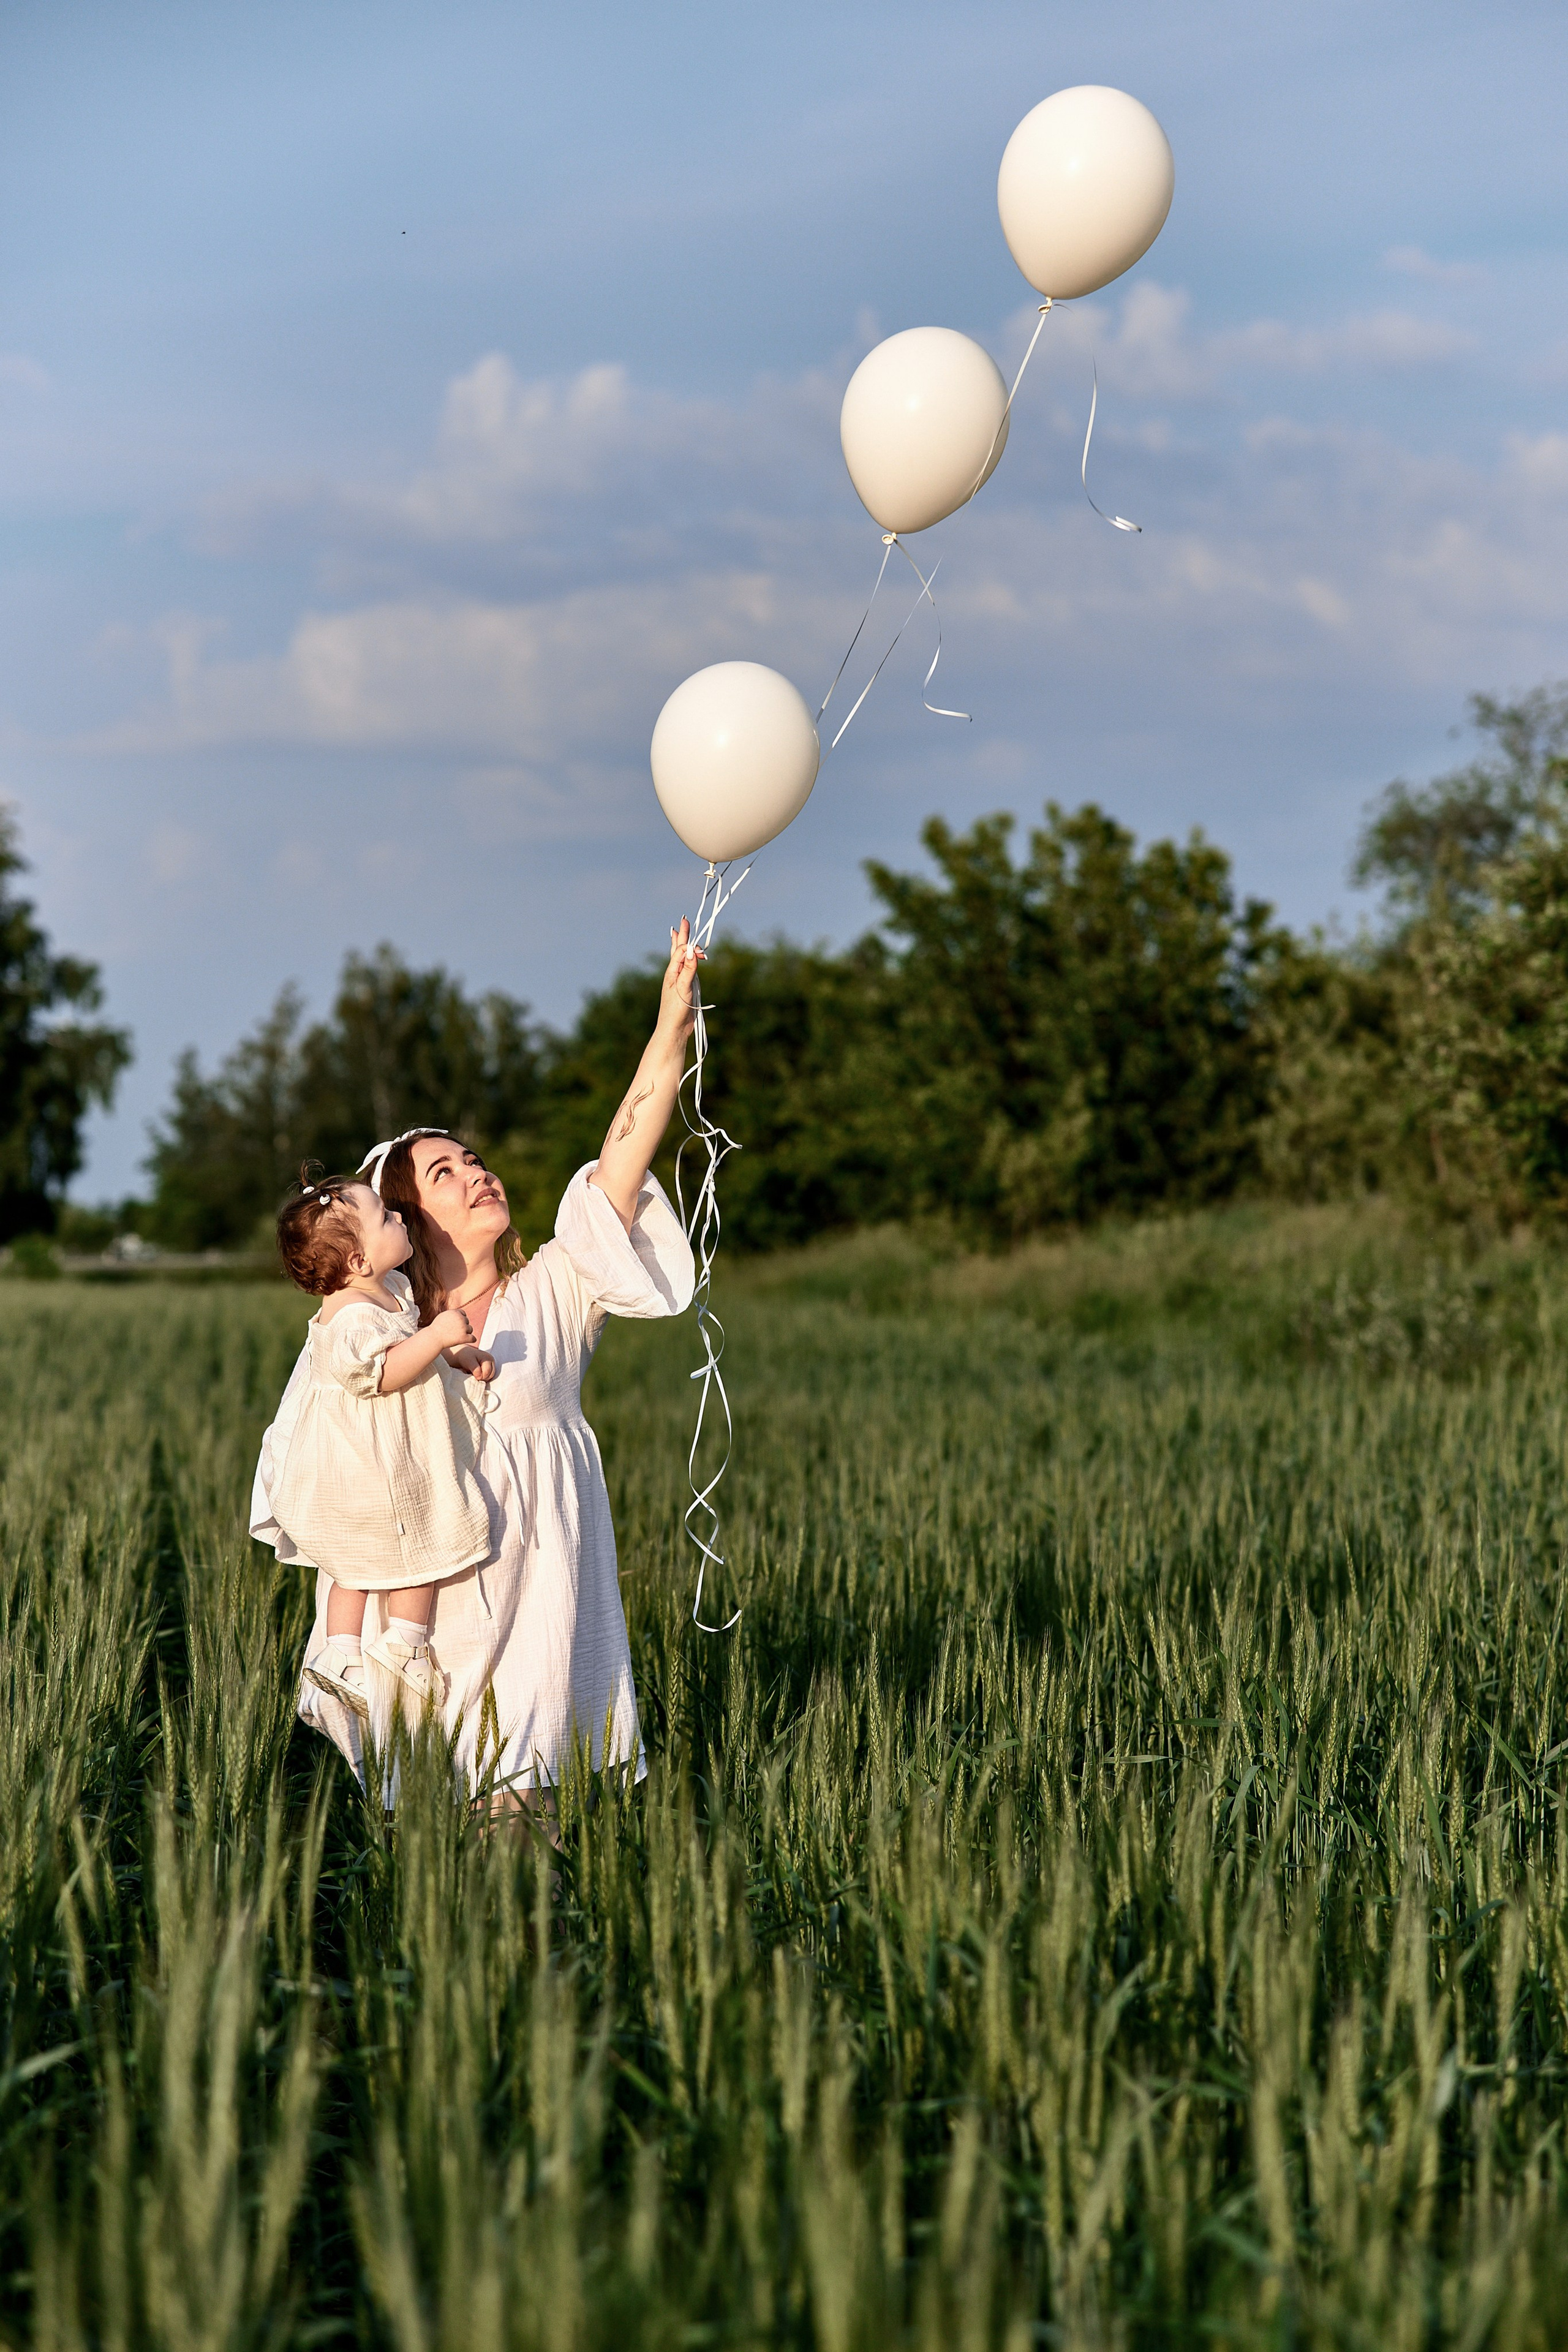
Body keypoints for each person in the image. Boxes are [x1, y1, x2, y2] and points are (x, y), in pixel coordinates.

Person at [251, 919, 702, 1803]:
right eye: (445, 1174)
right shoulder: (383, 1327)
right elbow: (320, 1452)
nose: (477, 1175)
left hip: (537, 1587)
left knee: (521, 1813)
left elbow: (623, 1156)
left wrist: (670, 1029)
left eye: (475, 1161)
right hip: (420, 1612)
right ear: (404, 1219)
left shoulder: (559, 1290)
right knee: (424, 1826)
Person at [270, 1165, 499, 1717]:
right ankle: (400, 1644)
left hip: (387, 1452)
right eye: (385, 1217)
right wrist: (439, 1335)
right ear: (358, 1261)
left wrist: (454, 1354)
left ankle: (344, 1653)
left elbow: (408, 1344)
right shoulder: (350, 1317)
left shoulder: (390, 1288)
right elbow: (383, 1373)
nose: (398, 1215)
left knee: (363, 1560)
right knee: (417, 1542)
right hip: (372, 1466)